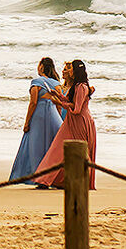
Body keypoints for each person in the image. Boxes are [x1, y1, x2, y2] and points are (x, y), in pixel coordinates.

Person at [35, 60, 97, 190]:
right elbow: (69, 101)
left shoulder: (81, 87)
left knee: (73, 151)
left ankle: (50, 179)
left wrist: (58, 102)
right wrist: (57, 95)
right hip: (72, 121)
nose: (68, 71)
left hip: (80, 122)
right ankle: (47, 179)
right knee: (57, 148)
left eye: (70, 69)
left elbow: (77, 109)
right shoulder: (77, 86)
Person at [9, 57, 65, 181]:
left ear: (41, 67)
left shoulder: (36, 82)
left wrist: (27, 122)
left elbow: (33, 103)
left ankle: (35, 176)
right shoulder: (57, 84)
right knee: (51, 145)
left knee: (35, 145)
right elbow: (59, 105)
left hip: (39, 115)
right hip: (53, 114)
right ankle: (52, 177)